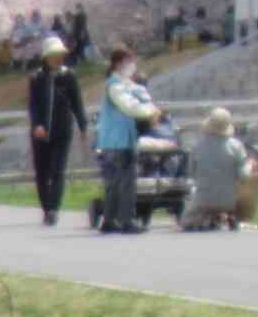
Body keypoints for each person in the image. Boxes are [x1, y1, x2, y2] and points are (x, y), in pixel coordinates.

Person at [96, 45, 162, 232]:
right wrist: (150, 112)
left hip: (111, 141)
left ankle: (109, 220)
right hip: (120, 141)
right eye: (129, 62)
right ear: (118, 64)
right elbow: (129, 106)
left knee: (113, 183)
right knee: (126, 182)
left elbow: (139, 93)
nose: (132, 66)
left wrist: (149, 104)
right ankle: (126, 220)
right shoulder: (116, 86)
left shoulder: (121, 85)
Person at [27, 33, 88, 226]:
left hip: (62, 129)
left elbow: (77, 102)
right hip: (40, 132)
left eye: (60, 54)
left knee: (58, 170)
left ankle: (54, 209)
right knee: (42, 172)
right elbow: (33, 104)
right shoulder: (36, 77)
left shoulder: (68, 76)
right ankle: (46, 208)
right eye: (53, 54)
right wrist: (37, 124)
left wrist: (83, 125)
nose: (58, 58)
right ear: (45, 57)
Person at [185, 106, 257, 230]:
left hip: (203, 200)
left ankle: (201, 219)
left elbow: (191, 172)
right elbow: (244, 175)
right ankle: (237, 217)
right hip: (230, 201)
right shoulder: (236, 146)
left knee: (187, 220)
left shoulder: (197, 146)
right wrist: (250, 165)